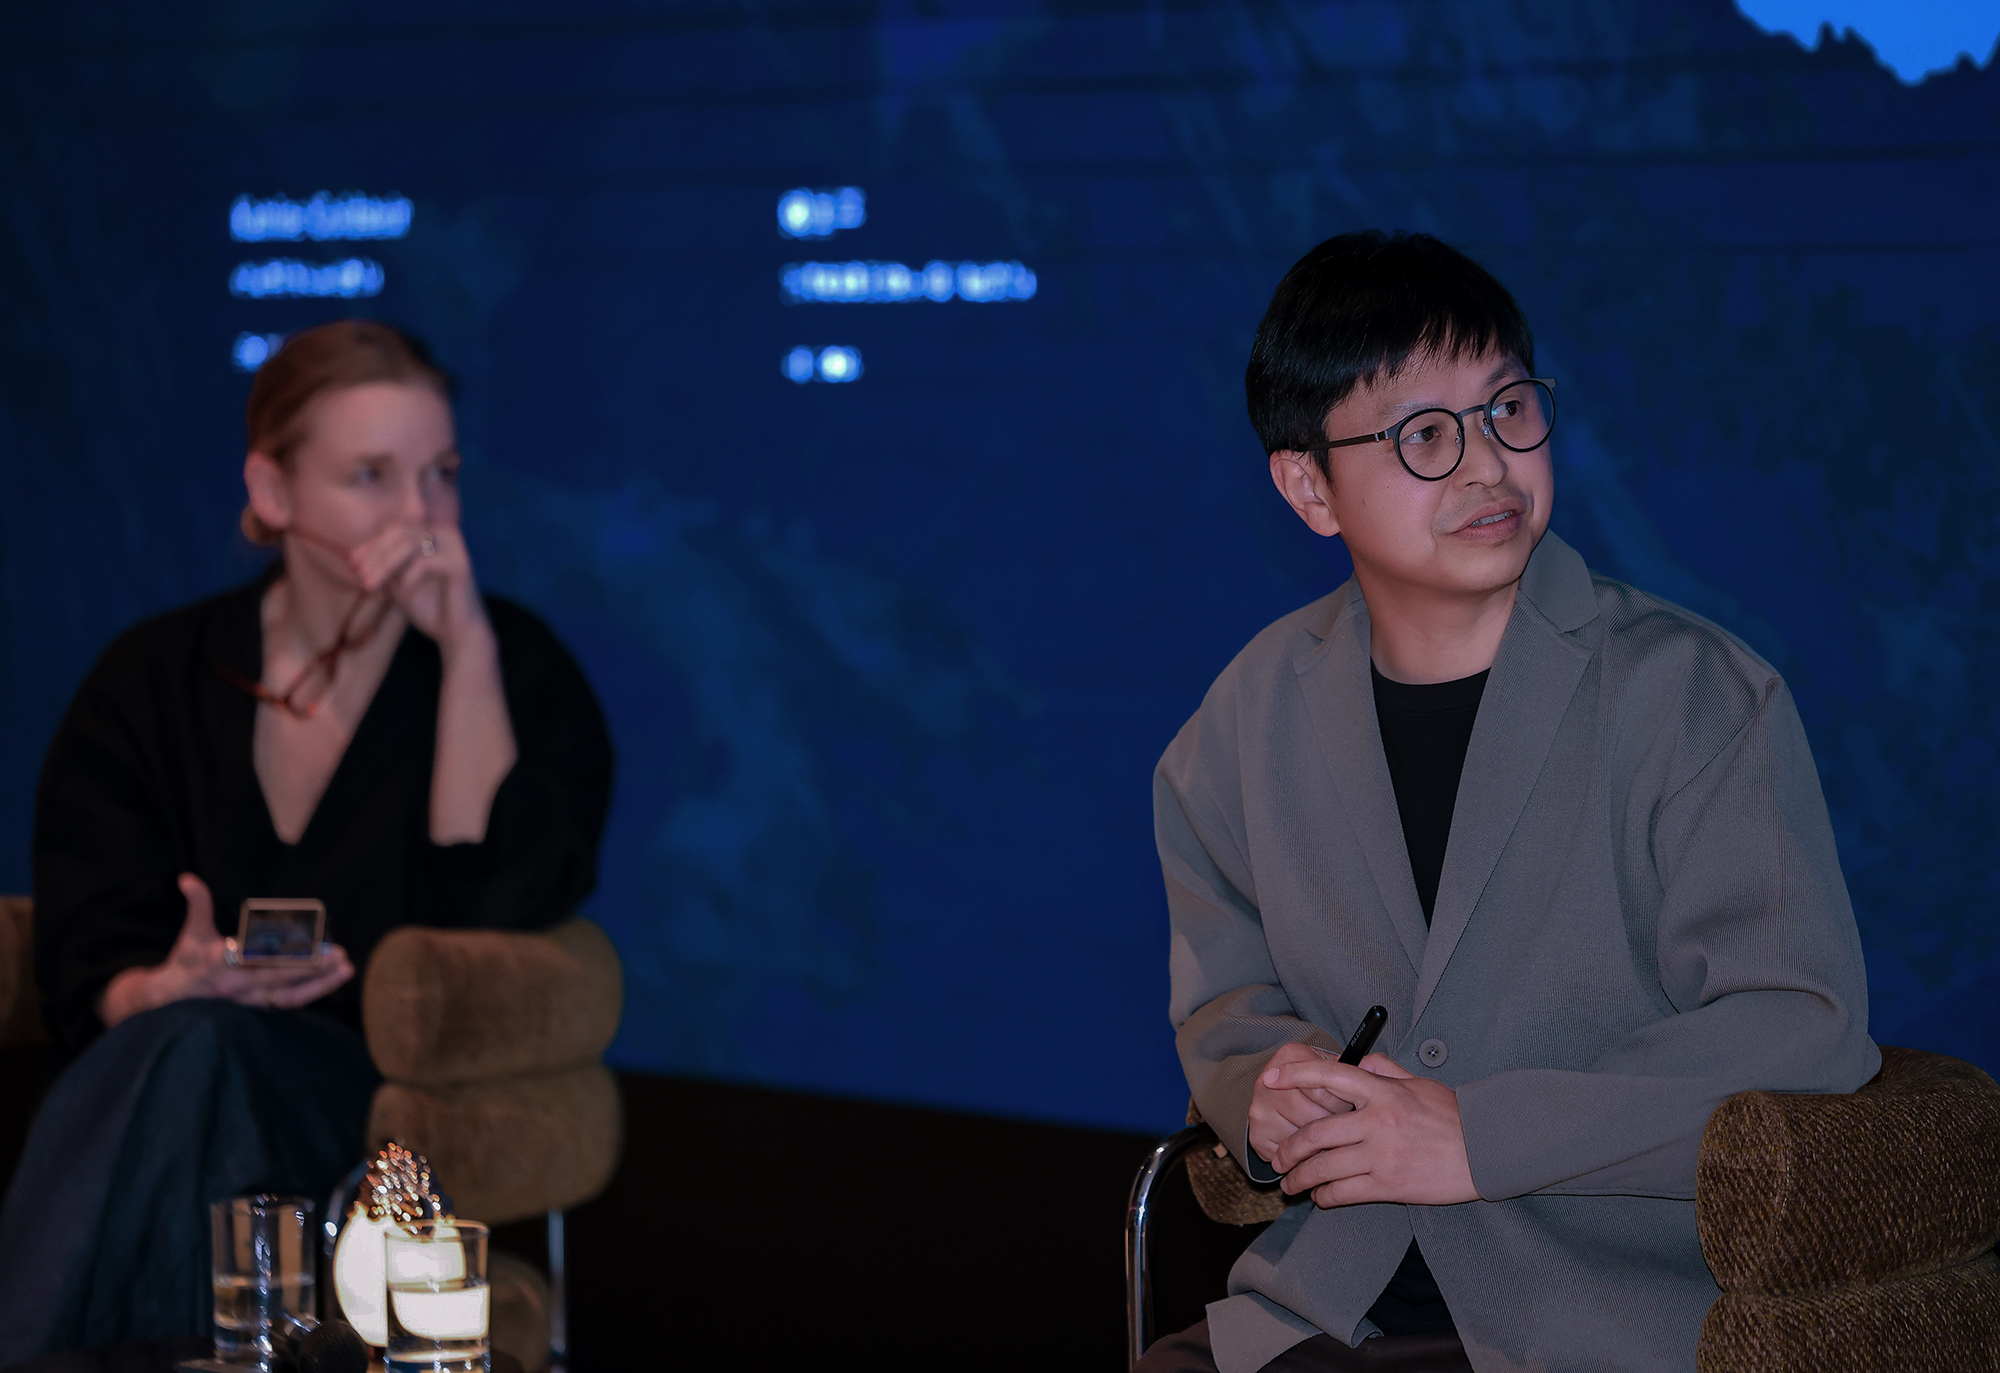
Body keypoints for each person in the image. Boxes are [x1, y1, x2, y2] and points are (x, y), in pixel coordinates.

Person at [1144, 233, 1876, 1373]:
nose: (1487, 464)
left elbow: (1801, 1024)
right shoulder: (1240, 720)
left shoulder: (1694, 695)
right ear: (1307, 487)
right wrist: (1264, 1091)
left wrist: (1478, 1136)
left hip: (1602, 1312)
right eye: (1423, 435)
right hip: (1328, 1301)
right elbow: (1228, 1004)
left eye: (1506, 410)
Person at [0, 319, 613, 1358]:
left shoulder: (518, 669)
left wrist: (465, 650)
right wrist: (164, 987)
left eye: (442, 474)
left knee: (199, 1057)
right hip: (158, 1085)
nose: (421, 515)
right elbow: (85, 952)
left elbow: (497, 900)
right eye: (372, 476)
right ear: (274, 492)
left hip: (369, 1129)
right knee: (188, 1045)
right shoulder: (153, 676)